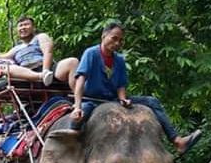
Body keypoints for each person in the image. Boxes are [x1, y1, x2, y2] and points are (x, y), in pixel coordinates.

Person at [70, 21, 202, 154]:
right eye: (114, 38)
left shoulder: (119, 60)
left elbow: (121, 85)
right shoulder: (91, 53)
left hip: (112, 99)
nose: (117, 43)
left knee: (152, 102)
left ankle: (177, 141)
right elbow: (80, 80)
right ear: (104, 36)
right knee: (78, 119)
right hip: (92, 99)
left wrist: (123, 99)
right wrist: (77, 106)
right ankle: (68, 147)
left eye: (120, 41)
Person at [0, 16, 80, 90]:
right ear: (17, 30)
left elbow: (47, 52)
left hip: (47, 69)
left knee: (72, 62)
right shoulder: (16, 48)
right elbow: (3, 57)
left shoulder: (40, 37)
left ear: (33, 28)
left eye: (26, 25)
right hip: (26, 74)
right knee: (5, 66)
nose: (23, 27)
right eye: (20, 26)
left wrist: (45, 70)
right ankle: (40, 76)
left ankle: (78, 100)